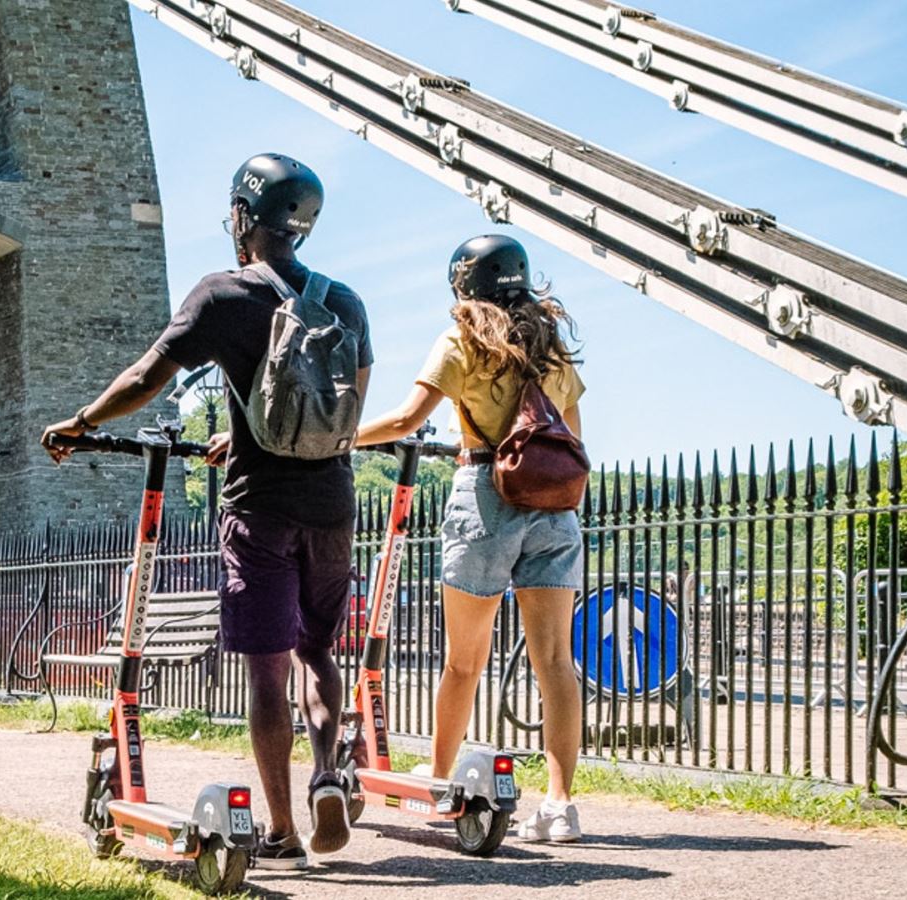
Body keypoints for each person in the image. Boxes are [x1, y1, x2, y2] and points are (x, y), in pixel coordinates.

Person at [42, 153, 372, 869]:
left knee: (266, 671)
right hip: (332, 504)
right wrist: (250, 422)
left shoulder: (223, 296)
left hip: (259, 509)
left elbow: (146, 376)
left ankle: (283, 829)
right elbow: (341, 416)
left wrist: (80, 422)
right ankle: (325, 776)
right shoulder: (345, 303)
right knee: (318, 652)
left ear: (244, 218)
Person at [355, 234, 587, 842]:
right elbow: (576, 438)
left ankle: (438, 779)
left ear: (462, 284)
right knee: (557, 661)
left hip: (486, 491)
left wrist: (339, 436)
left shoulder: (462, 340)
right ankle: (560, 805)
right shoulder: (552, 346)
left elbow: (407, 419)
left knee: (463, 661)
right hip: (555, 502)